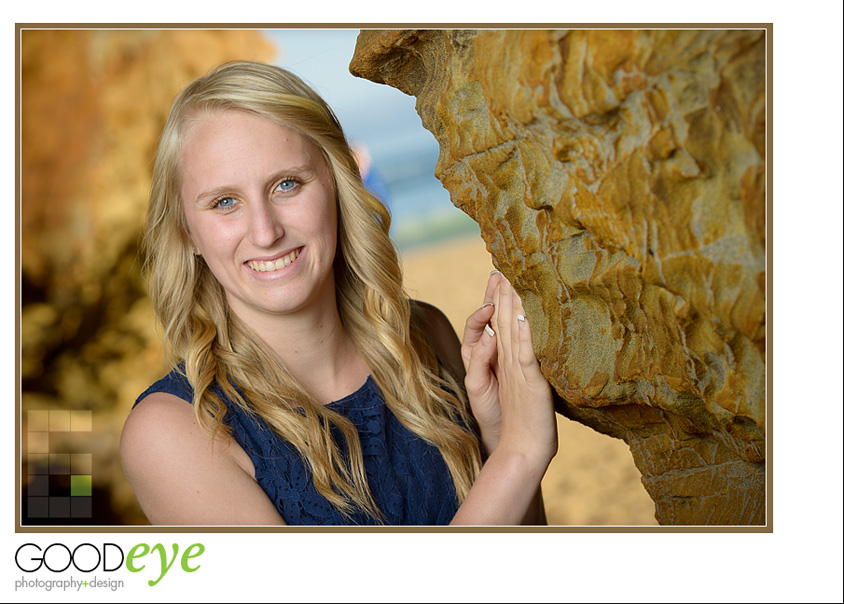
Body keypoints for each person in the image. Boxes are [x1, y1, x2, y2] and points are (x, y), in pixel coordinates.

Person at [120, 60, 558, 525]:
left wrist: (495, 434)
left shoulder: (426, 335)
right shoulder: (173, 434)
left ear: (337, 186)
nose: (265, 232)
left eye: (286, 184)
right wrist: (520, 452)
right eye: (225, 202)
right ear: (187, 232)